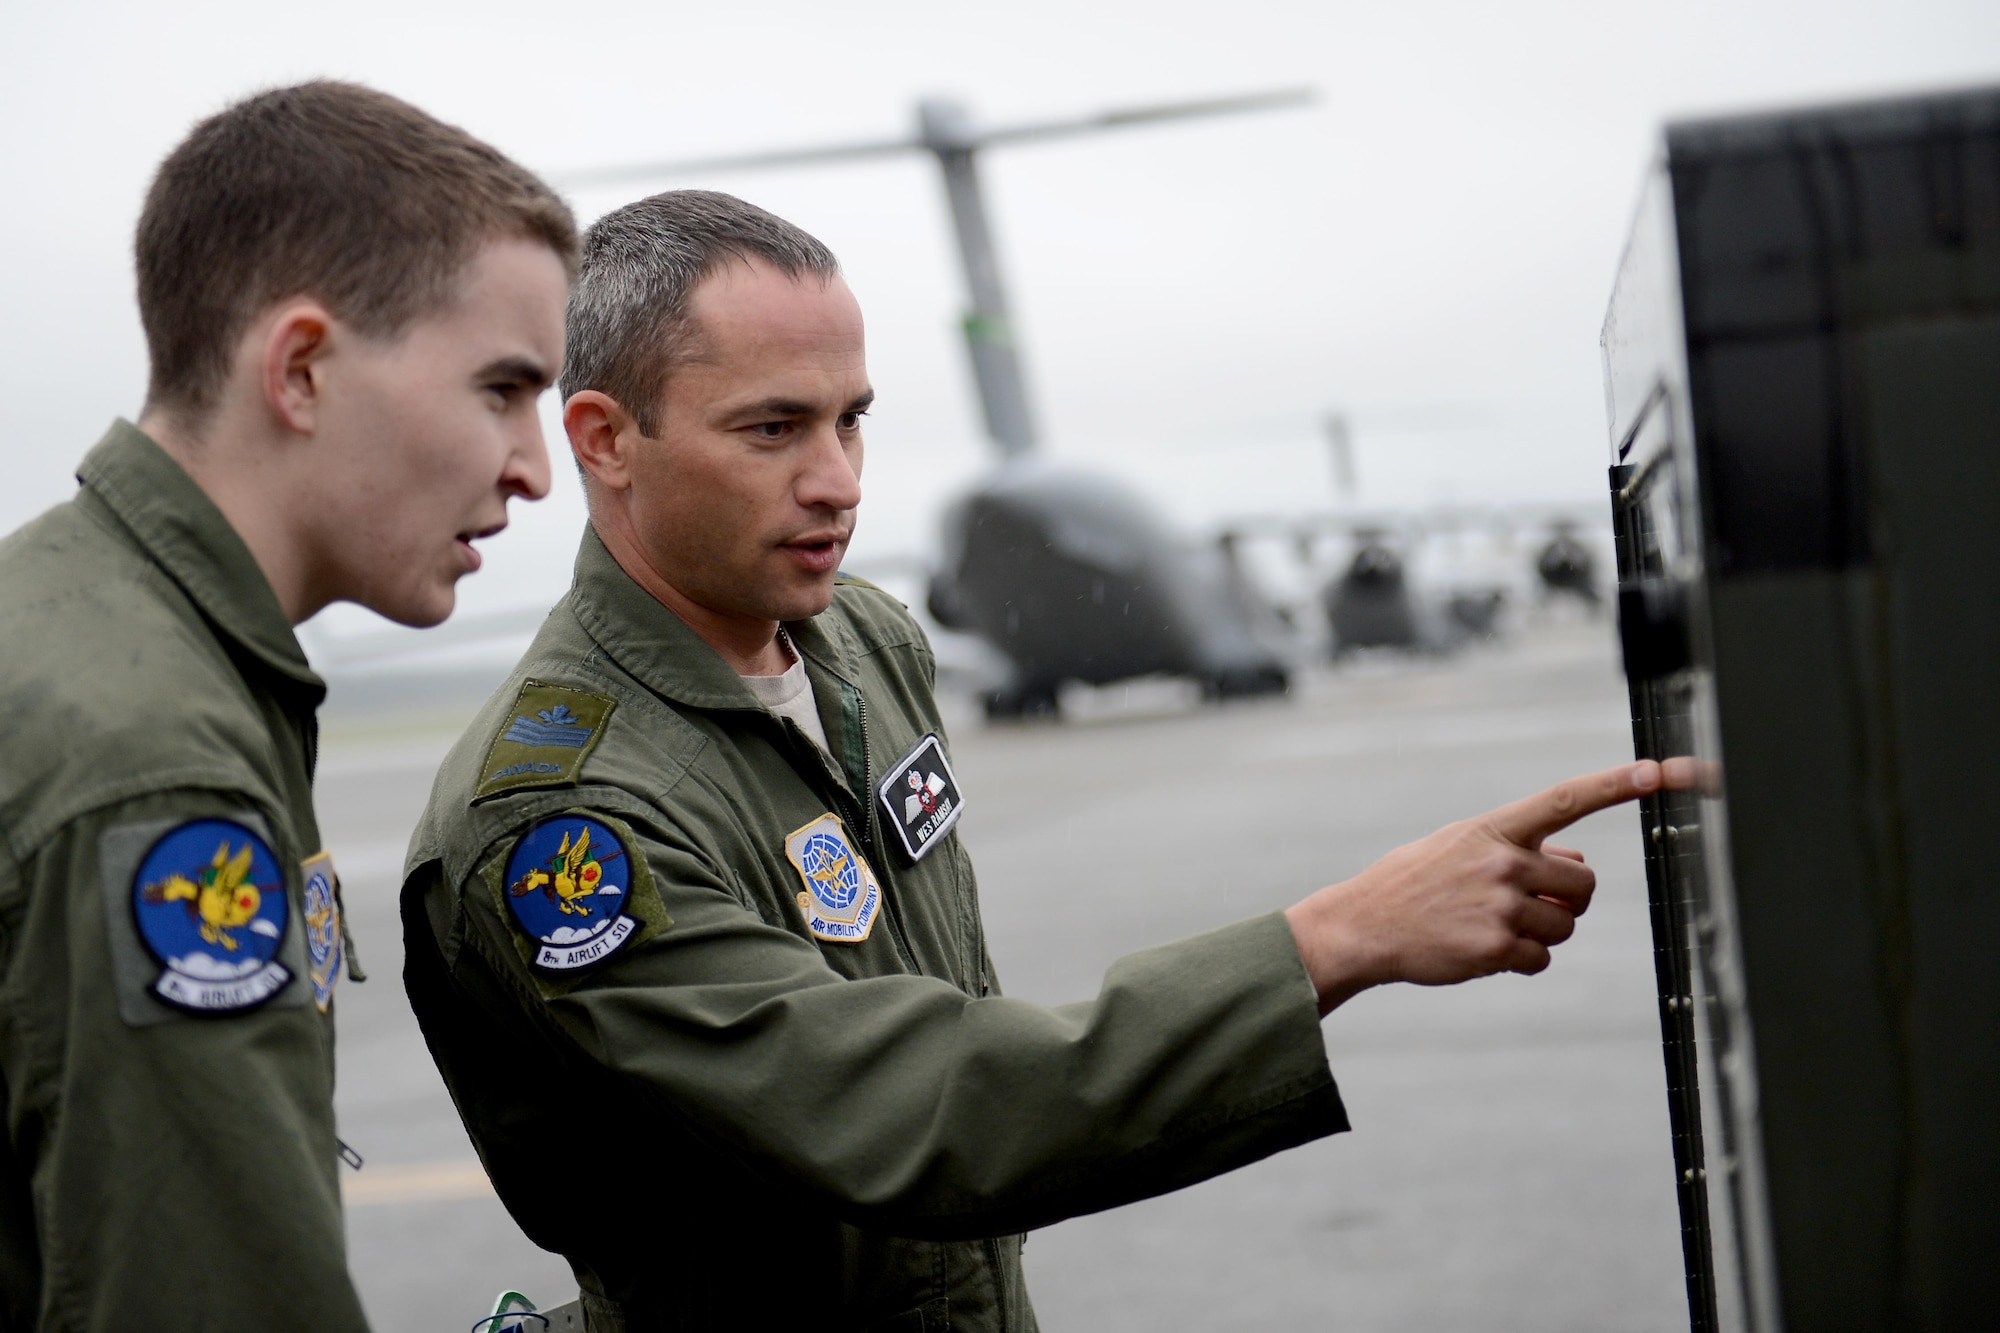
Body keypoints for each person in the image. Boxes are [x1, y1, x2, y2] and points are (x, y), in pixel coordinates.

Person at [402, 189, 1690, 1333]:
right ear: (604, 438)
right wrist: (1332, 939)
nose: (836, 480)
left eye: (852, 420)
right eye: (771, 430)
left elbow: (939, 1010)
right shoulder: (563, 820)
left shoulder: (857, 643)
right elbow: (911, 1109)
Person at [0, 82, 574, 1329]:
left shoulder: (64, 626)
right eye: (500, 390)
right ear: (302, 368)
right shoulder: (153, 762)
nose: (534, 467)